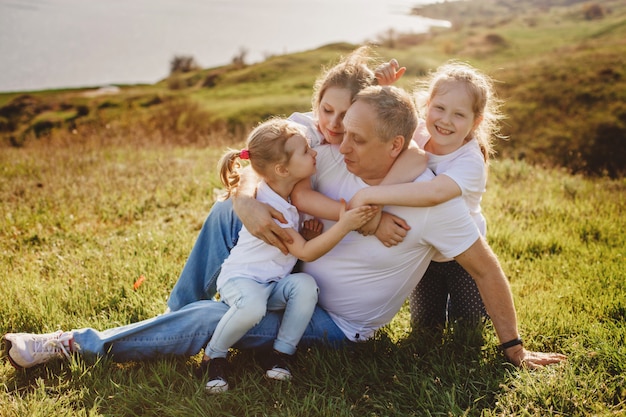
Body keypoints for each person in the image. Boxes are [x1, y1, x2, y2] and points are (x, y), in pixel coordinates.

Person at [3, 85, 566, 379]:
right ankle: (171, 328)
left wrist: (514, 348)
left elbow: (487, 269)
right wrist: (245, 202)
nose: (337, 147)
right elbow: (267, 161)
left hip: (334, 321)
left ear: (396, 145)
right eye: (340, 132)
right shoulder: (337, 151)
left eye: (355, 140)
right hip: (288, 269)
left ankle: (74, 343)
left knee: (213, 320)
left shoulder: (435, 198)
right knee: (226, 217)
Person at [164, 47, 425, 311]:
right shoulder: (304, 131)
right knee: (225, 209)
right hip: (284, 227)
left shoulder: (365, 141)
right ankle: (180, 308)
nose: (333, 124)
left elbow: (416, 153)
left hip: (307, 244)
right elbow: (264, 166)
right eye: (327, 110)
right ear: (316, 105)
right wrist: (244, 200)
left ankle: (231, 308)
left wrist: (385, 93)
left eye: (345, 115)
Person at [201, 118, 376, 393]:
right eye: (306, 151)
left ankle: (281, 353)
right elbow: (306, 252)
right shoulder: (272, 206)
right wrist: (345, 225)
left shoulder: (287, 197)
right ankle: (214, 354)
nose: (314, 153)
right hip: (242, 280)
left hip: (271, 283)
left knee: (305, 286)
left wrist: (306, 232)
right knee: (252, 307)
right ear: (282, 169)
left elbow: (296, 246)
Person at [347, 61, 504, 330]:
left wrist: (373, 196)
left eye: (459, 115)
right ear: (427, 105)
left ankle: (483, 310)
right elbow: (372, 119)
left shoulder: (470, 161)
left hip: (460, 256)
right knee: (425, 328)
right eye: (439, 108)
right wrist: (379, 87)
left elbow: (434, 193)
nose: (445, 120)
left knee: (469, 329)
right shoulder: (417, 132)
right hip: (423, 254)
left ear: (475, 122)